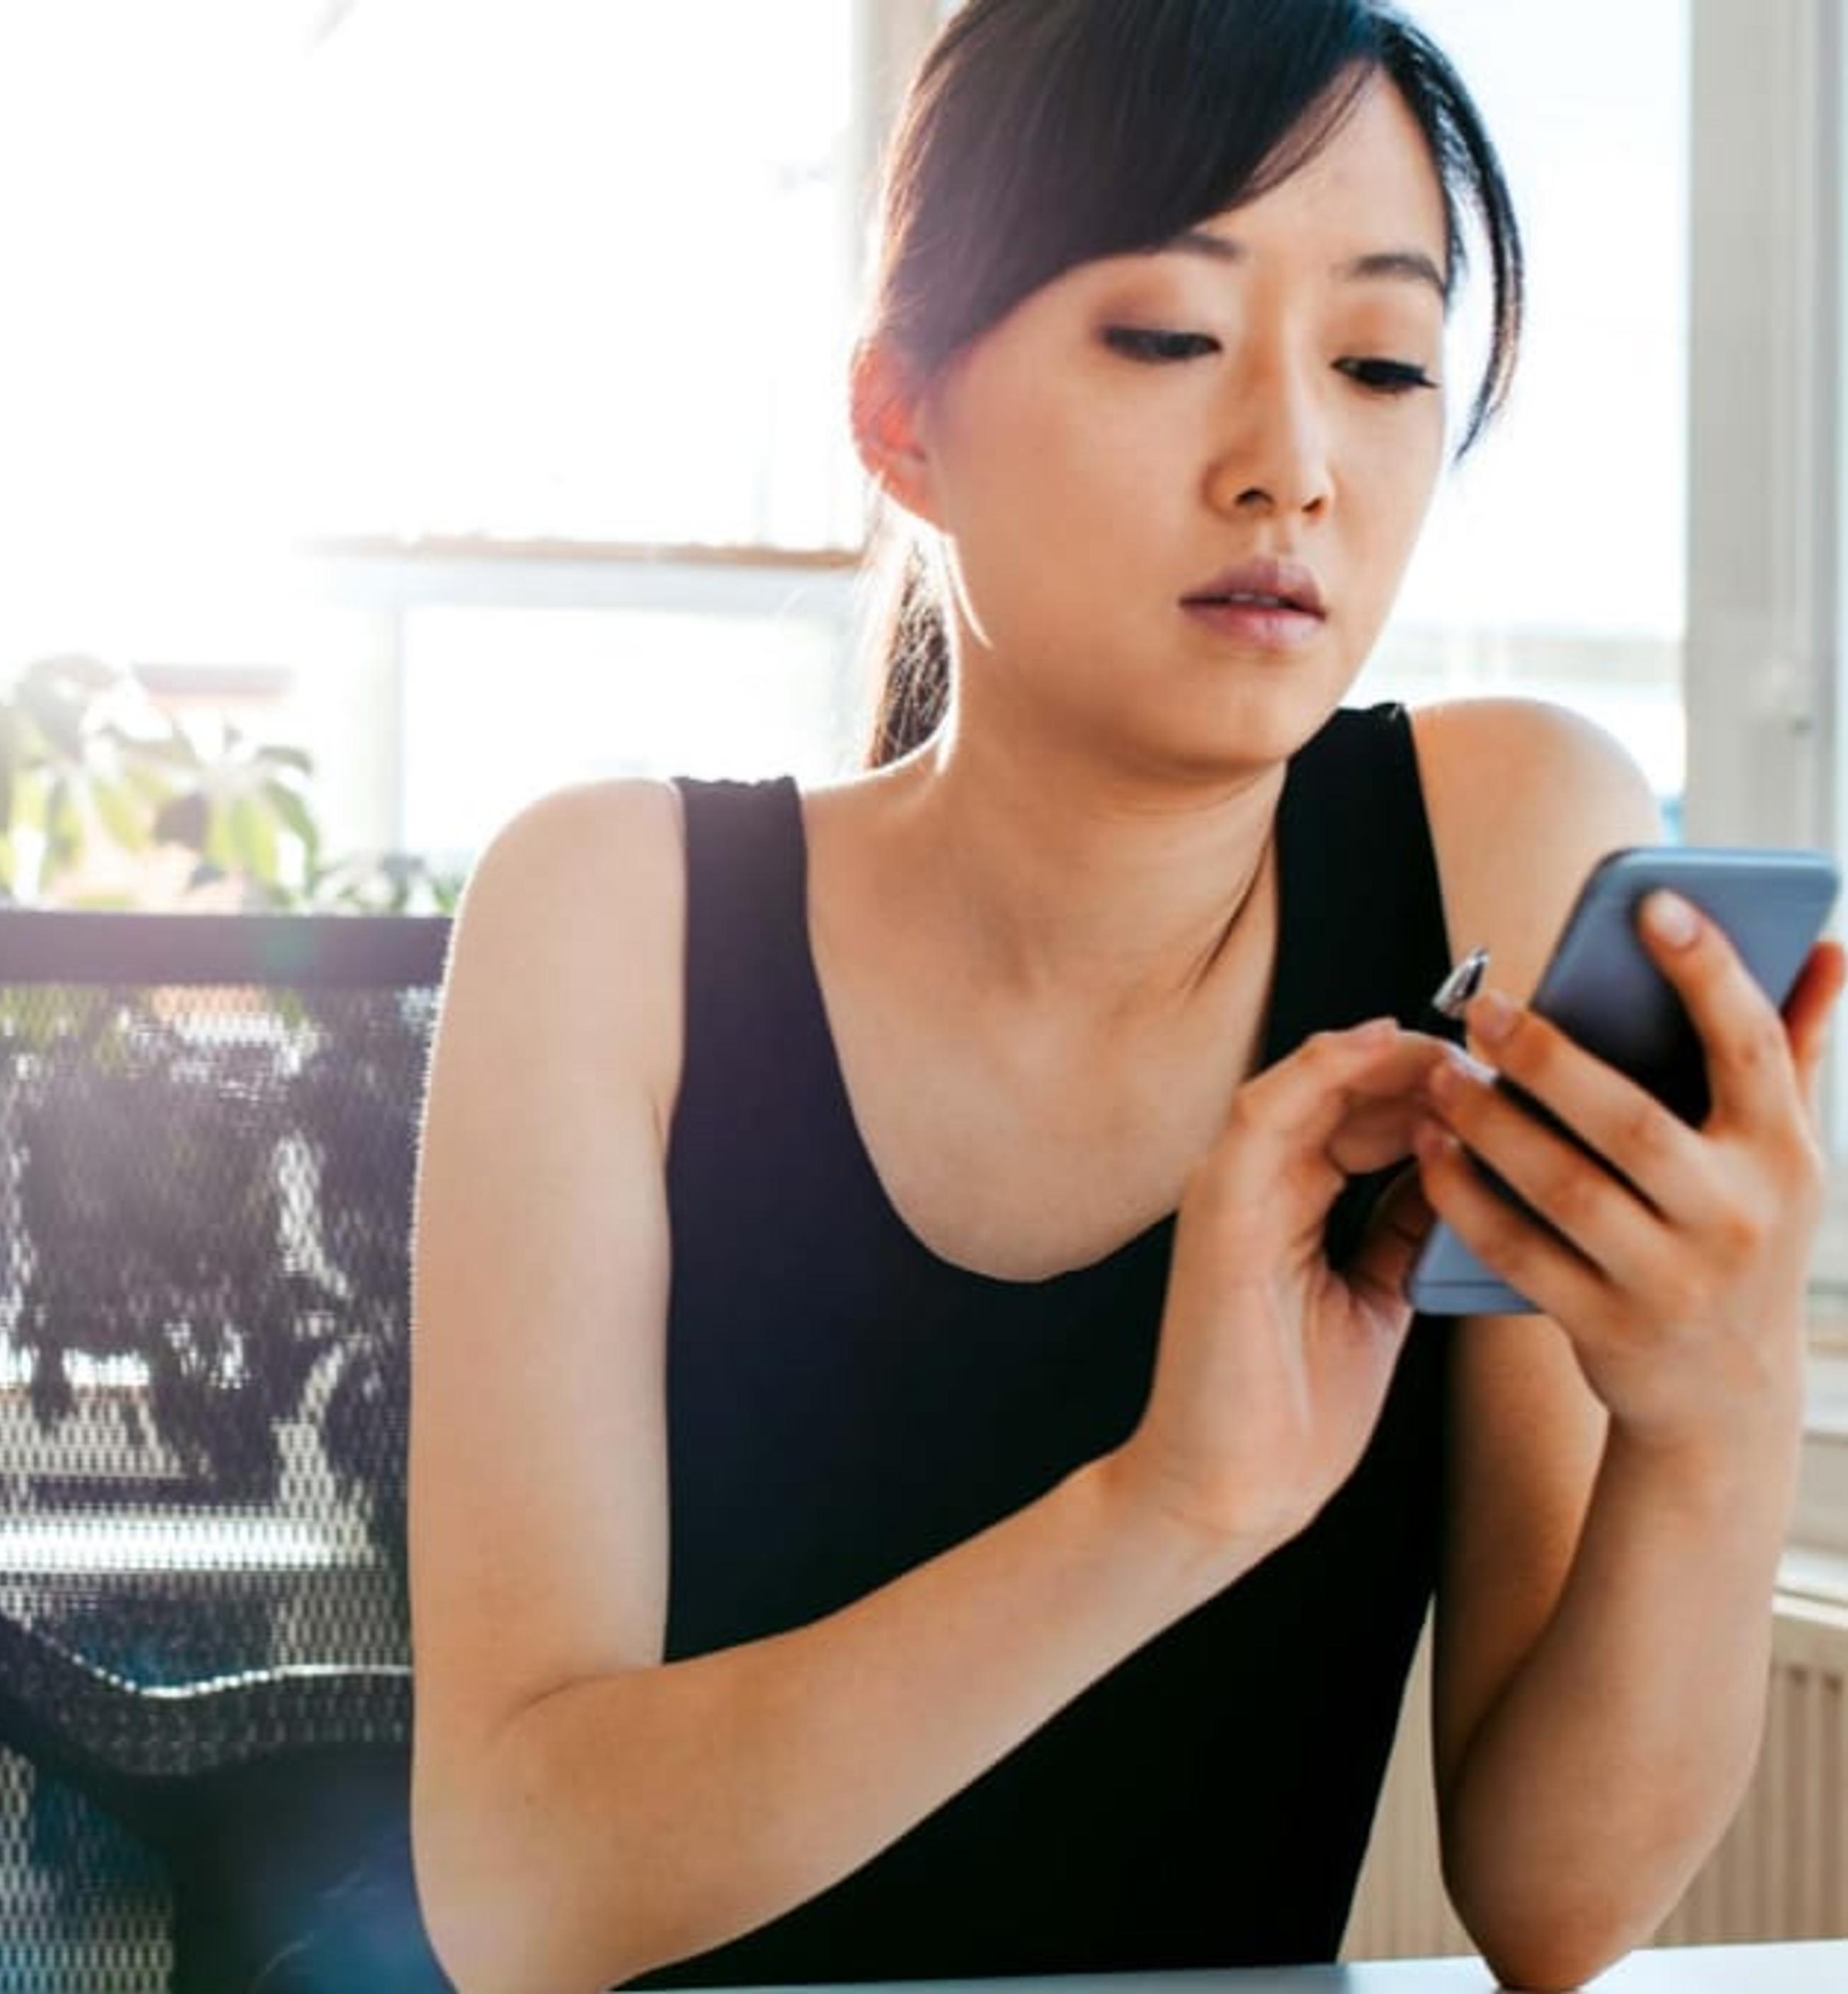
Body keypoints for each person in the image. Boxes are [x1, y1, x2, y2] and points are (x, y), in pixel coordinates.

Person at [403, 2, 1848, 1989]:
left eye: (1382, 362)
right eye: (1169, 336)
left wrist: (1721, 1400)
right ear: (904, 415)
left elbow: (1553, 1906)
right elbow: (518, 1900)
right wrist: (1168, 1508)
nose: (1294, 468)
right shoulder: (609, 911)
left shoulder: (1506, 843)